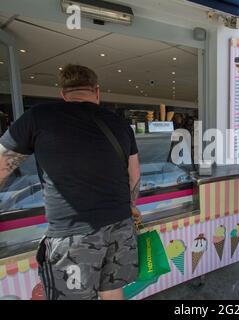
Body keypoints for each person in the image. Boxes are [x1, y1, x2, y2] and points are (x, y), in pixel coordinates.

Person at [0, 65, 141, 300]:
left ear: (64, 95)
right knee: (113, 291)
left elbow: (2, 166)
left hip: (72, 232)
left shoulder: (39, 116)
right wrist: (131, 204)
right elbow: (134, 176)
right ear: (97, 92)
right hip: (120, 225)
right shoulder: (120, 124)